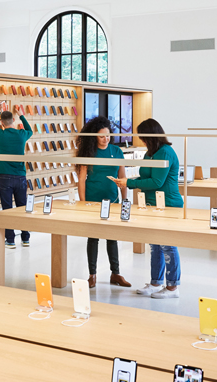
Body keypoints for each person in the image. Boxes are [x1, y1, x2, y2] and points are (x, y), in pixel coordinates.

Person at [111, 119, 183, 299]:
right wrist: (128, 181)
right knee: (155, 245)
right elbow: (145, 176)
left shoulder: (166, 152)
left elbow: (157, 182)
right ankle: (155, 283)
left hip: (168, 205)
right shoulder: (150, 153)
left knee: (167, 245)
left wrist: (130, 182)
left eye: (143, 138)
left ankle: (173, 287)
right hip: (151, 204)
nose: (142, 141)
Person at [77, 116, 131, 289]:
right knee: (93, 238)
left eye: (108, 136)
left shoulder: (117, 151)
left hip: (112, 200)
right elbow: (81, 180)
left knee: (112, 237)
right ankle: (92, 275)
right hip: (93, 201)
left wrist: (125, 200)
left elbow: (122, 178)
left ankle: (115, 273)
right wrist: (83, 202)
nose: (105, 139)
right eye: (101, 136)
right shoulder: (89, 152)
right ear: (94, 137)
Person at [0, 102, 33, 248]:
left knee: (7, 208)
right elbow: (30, 130)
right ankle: (25, 238)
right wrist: (21, 114)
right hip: (20, 176)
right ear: (14, 121)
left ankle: (10, 240)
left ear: (2, 123)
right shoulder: (22, 135)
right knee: (22, 207)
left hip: (4, 176)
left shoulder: (0, 134)